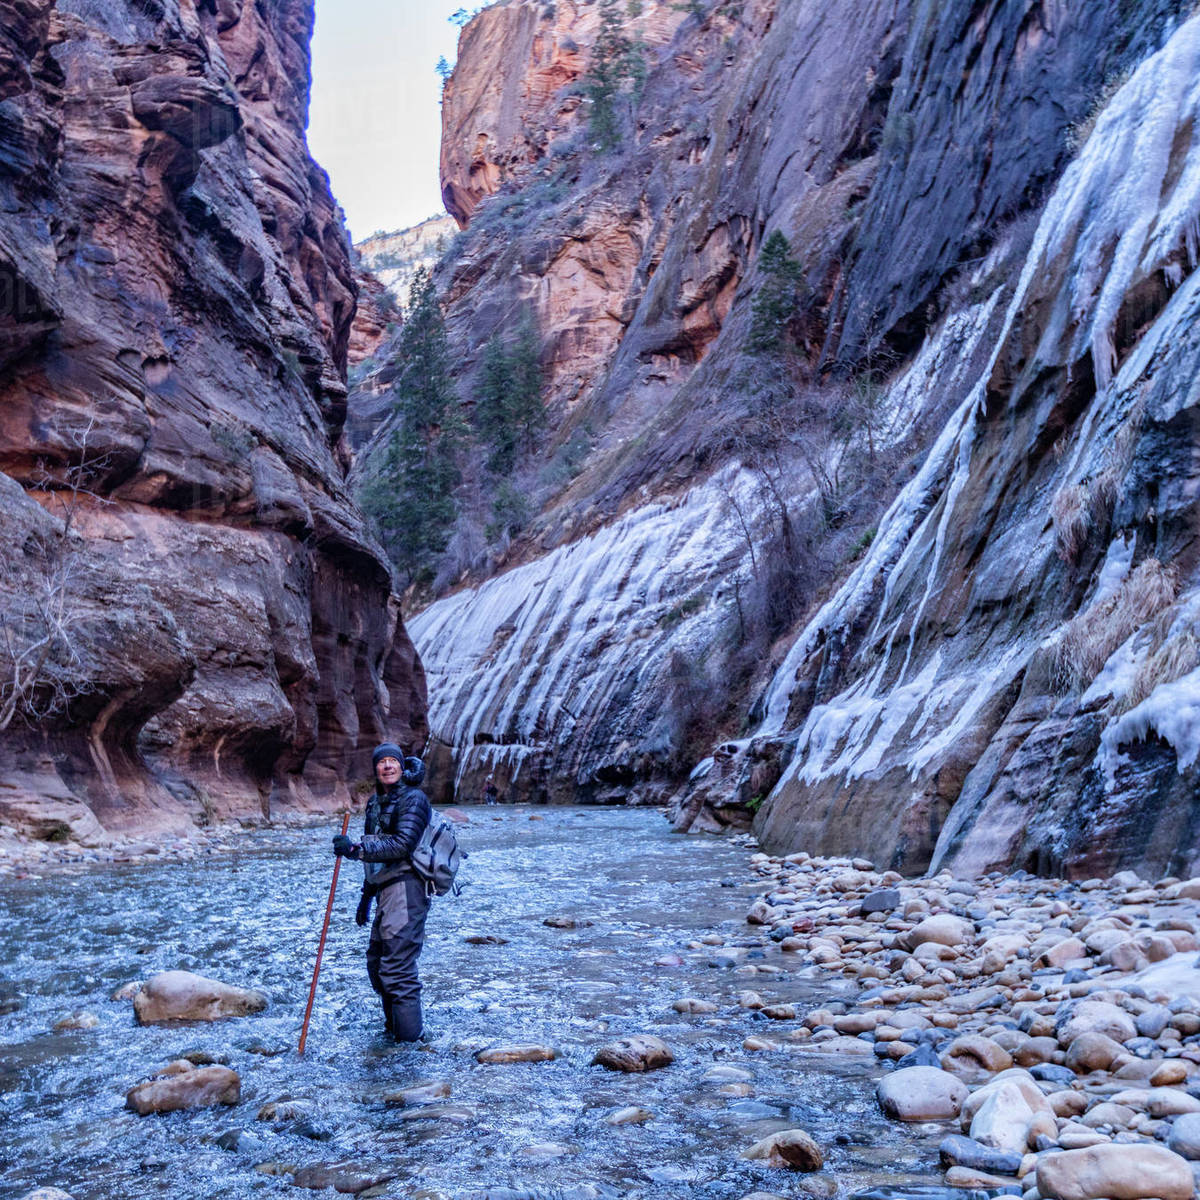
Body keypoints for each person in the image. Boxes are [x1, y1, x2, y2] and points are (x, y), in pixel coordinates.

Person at [333, 742, 433, 1042]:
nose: (387, 766)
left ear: (402, 767)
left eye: (393, 761)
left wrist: (355, 849)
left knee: (397, 968)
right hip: (385, 889)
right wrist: (365, 897)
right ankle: (394, 1034)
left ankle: (409, 1047)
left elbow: (402, 845)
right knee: (377, 964)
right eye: (381, 761)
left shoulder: (414, 799)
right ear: (375, 769)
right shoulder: (376, 803)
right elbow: (374, 857)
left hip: (408, 888)